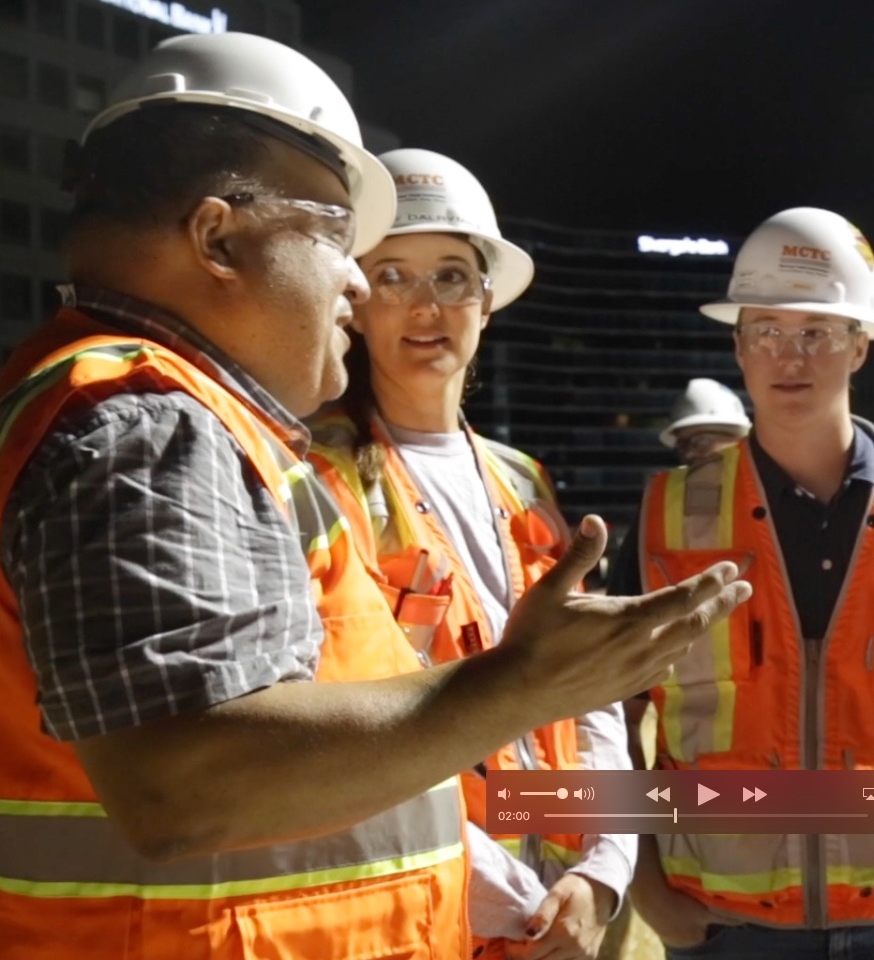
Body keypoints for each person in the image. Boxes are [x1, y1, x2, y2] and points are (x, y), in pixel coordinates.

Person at [0, 32, 748, 959]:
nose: (363, 279)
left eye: (449, 277)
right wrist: (519, 689)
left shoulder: (187, 424)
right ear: (217, 236)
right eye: (339, 234)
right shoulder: (147, 426)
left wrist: (598, 866)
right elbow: (186, 784)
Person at [609, 207, 874, 959]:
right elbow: (607, 718)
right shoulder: (665, 521)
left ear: (859, 346)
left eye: (817, 331)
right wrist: (644, 884)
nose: (789, 355)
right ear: (738, 345)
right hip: (726, 929)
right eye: (767, 330)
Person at [308, 148, 634, 960]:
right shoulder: (317, 477)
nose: (426, 305)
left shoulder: (522, 482)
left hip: (556, 908)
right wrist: (527, 912)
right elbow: (337, 732)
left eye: (451, 275)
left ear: (487, 300)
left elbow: (591, 698)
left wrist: (601, 875)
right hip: (428, 912)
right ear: (354, 303)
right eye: (393, 277)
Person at [660, 378, 752, 468]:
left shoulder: (761, 480)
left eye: (698, 443)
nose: (689, 454)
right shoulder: (671, 482)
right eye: (682, 447)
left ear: (737, 440)